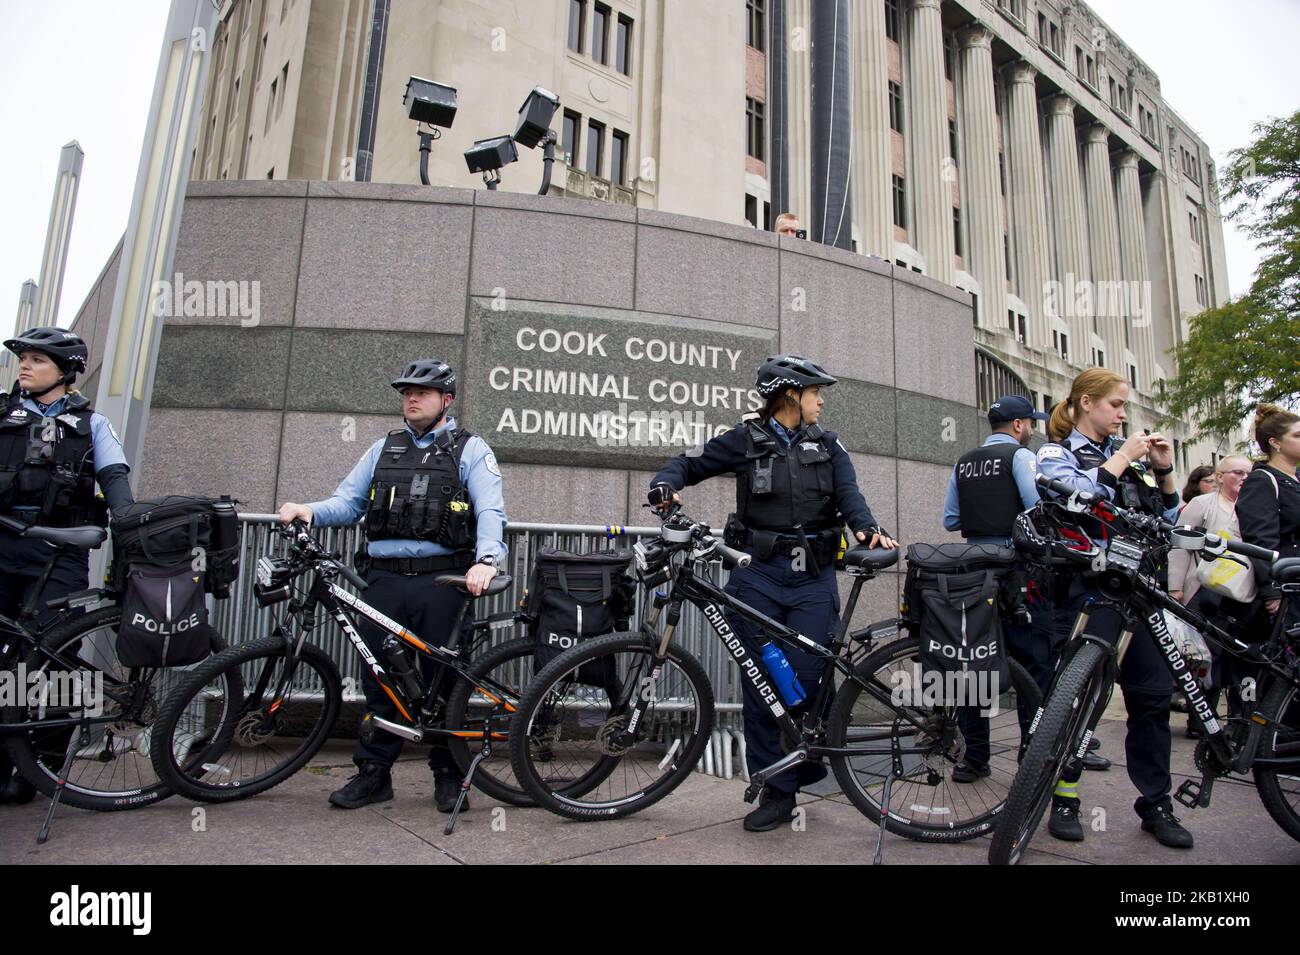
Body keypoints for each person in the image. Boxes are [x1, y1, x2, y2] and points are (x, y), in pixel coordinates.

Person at [648, 354, 896, 831]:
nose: (821, 401)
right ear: (789, 397)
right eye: (814, 393)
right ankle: (777, 792)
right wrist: (665, 483)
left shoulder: (829, 444)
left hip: (813, 577)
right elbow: (689, 464)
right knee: (760, 683)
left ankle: (808, 760)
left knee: (802, 680)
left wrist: (866, 529)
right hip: (757, 573)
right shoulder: (745, 440)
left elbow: (851, 497)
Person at [277, 358, 507, 813]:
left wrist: (486, 561)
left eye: (422, 392)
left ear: (447, 399)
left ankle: (448, 776)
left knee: (441, 683)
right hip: (382, 581)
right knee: (378, 677)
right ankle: (373, 775)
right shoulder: (384, 447)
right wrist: (310, 510)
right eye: (406, 392)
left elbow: (490, 512)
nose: (412, 398)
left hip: (444, 582)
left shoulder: (471, 448)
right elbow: (348, 502)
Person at [1035, 367, 1193, 849]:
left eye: (1125, 406)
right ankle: (1065, 797)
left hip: (1141, 593)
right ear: (1086, 402)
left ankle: (1156, 804)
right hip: (1087, 590)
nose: (1124, 414)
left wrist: (1164, 472)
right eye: (1115, 405)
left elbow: (1170, 521)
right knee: (1075, 700)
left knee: (1150, 701)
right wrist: (1122, 458)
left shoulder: (1138, 460)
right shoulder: (1056, 453)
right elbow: (1076, 500)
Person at [940, 395, 1109, 778]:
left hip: (975, 573)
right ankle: (1030, 753)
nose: (1032, 429)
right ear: (1018, 426)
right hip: (1021, 573)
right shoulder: (1021, 457)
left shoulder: (964, 462)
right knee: (1034, 665)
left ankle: (974, 758)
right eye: (1030, 423)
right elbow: (1041, 508)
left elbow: (950, 519)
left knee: (974, 663)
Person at [0, 326, 133, 805]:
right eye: (24, 359)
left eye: (37, 359)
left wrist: (128, 523)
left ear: (66, 370)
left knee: (53, 662)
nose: (25, 366)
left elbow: (115, 478)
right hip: (3, 542)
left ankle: (39, 769)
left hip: (59, 552)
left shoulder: (93, 424)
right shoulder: (1, 412)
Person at [1167, 455, 1253, 735]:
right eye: (1237, 473)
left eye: (1248, 473)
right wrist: (1175, 587)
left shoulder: (1253, 506)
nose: (1243, 478)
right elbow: (1180, 545)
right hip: (1207, 592)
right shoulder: (1202, 504)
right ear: (1219, 476)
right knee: (1206, 658)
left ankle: (1241, 722)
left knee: (1240, 660)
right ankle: (1201, 720)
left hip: (1244, 595)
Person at [1236, 403, 1300, 633]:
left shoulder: (1297, 477)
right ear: (1275, 442)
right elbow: (1259, 539)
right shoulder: (1262, 479)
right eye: (1297, 435)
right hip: (1289, 586)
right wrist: (1272, 592)